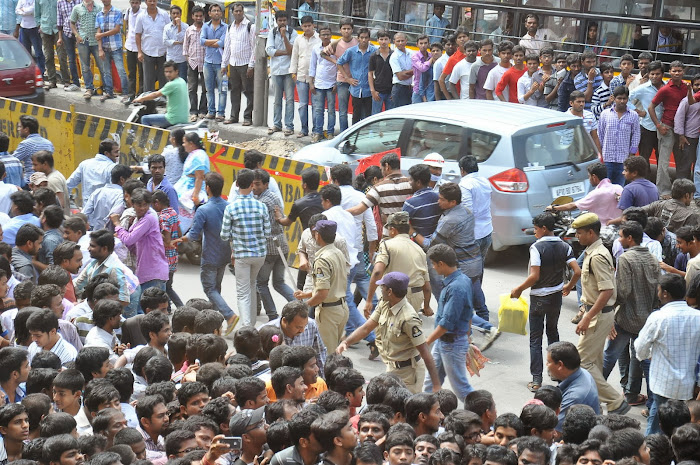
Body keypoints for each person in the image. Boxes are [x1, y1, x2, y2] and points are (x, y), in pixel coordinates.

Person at [338, 271, 439, 394]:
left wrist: (436, 385)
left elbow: (425, 352)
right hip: (391, 367)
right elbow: (366, 328)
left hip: (408, 374)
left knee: (406, 409)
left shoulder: (408, 318)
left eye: (382, 287)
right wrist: (346, 342)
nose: (380, 289)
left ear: (390, 291)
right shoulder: (385, 303)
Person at [511, 213, 580, 392]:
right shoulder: (565, 246)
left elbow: (534, 276)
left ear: (543, 228)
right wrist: (568, 286)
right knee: (553, 334)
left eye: (535, 228)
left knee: (535, 339)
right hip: (556, 297)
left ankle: (536, 380)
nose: (534, 232)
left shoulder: (536, 248)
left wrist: (518, 289)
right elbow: (577, 271)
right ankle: (559, 376)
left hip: (539, 299)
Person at [571, 212, 629, 415]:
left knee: (582, 361)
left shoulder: (598, 256)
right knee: (593, 362)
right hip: (596, 313)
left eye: (579, 233)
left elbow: (607, 291)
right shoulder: (591, 252)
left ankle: (615, 401)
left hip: (597, 316)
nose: (576, 236)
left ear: (591, 232)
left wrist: (587, 316)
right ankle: (593, 405)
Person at [601, 221, 658, 408]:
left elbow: (622, 292)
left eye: (621, 236)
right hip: (646, 320)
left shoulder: (625, 259)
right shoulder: (652, 258)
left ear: (630, 238)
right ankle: (645, 400)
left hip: (626, 319)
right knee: (641, 358)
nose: (619, 239)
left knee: (610, 355)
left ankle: (594, 391)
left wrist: (609, 312)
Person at [635, 273, 700, 434]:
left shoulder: (658, 317)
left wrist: (649, 354)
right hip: (687, 386)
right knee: (680, 426)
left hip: (663, 384)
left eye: (658, 290)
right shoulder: (697, 317)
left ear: (665, 293)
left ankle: (652, 453)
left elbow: (640, 348)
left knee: (657, 422)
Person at [221, 168, 270, 329]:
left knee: (243, 291)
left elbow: (224, 235)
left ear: (236, 184)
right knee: (251, 284)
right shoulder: (261, 206)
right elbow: (267, 232)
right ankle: (252, 323)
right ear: (251, 185)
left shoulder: (231, 208)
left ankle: (247, 326)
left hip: (242, 255)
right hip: (260, 254)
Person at [422, 244, 472, 398]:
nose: (433, 267)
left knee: (461, 388)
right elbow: (469, 312)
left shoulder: (456, 288)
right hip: (444, 342)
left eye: (434, 264)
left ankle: (482, 414)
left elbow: (446, 324)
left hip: (452, 344)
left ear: (441, 264)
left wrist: (426, 343)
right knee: (430, 384)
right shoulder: (463, 280)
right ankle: (425, 413)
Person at [293, 220, 349, 352]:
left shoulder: (322, 259)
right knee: (335, 353)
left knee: (327, 355)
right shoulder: (338, 253)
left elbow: (323, 293)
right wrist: (306, 295)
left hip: (328, 312)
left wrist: (304, 306)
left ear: (318, 235)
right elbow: (330, 286)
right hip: (341, 307)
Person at [366, 212, 431, 318]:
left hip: (395, 296)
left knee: (387, 331)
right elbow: (427, 286)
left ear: (392, 230)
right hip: (416, 297)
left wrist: (369, 300)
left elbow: (377, 271)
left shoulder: (387, 245)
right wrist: (427, 306)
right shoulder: (420, 250)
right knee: (406, 329)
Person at [649, 60, 696, 198]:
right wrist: (658, 125)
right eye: (674, 71)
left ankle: (680, 190)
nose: (676, 73)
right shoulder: (665, 89)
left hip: (682, 129)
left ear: (683, 72)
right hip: (667, 127)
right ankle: (663, 191)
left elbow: (691, 103)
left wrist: (689, 91)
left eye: (679, 71)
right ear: (670, 72)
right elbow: (651, 107)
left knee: (681, 161)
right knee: (663, 162)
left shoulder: (686, 87)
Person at [252, 168, 294, 321]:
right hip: (281, 245)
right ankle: (299, 306)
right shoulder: (274, 197)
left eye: (257, 184)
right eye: (252, 184)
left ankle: (272, 315)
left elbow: (259, 228)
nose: (254, 187)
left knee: (261, 283)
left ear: (266, 184)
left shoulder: (262, 203)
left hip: (269, 249)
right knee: (279, 283)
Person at [110, 189, 169, 294]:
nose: (142, 208)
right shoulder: (139, 218)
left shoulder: (149, 217)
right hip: (148, 271)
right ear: (132, 204)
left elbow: (129, 239)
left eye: (145, 205)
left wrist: (117, 224)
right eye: (139, 205)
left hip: (153, 272)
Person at [548, 163, 622, 228]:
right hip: (619, 226)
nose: (589, 179)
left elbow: (573, 206)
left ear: (594, 177)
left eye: (589, 176)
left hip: (603, 229)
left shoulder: (596, 194)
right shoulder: (618, 188)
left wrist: (554, 208)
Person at [262, 300, 327, 374]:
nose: (302, 330)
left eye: (305, 326)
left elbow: (320, 352)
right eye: (298, 327)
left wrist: (323, 378)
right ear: (284, 321)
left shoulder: (311, 325)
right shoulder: (267, 332)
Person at [545, 341, 599, 431]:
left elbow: (556, 433)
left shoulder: (574, 397)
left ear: (560, 365)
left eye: (548, 362)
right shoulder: (582, 372)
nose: (547, 365)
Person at [220, 3, 255, 126]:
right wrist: (224, 65)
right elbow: (227, 47)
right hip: (233, 63)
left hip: (246, 64)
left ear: (243, 12)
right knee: (234, 91)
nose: (238, 13)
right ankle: (234, 116)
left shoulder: (250, 26)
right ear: (232, 12)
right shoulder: (230, 27)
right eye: (236, 11)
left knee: (249, 91)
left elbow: (254, 47)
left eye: (240, 11)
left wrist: (251, 65)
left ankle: (247, 117)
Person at [323, 19, 357, 132]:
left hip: (356, 80)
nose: (346, 31)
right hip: (342, 80)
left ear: (352, 30)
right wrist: (336, 62)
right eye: (344, 28)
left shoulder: (357, 42)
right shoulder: (336, 43)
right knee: (343, 111)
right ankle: (344, 133)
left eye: (348, 28)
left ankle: (353, 132)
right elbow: (323, 53)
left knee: (356, 110)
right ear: (340, 30)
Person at [133, 60, 189, 128]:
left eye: (170, 72)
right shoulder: (182, 81)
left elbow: (155, 95)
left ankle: (146, 138)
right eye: (166, 72)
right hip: (184, 118)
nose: (168, 74)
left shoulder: (171, 84)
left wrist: (140, 99)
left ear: (176, 71)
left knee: (144, 119)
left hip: (173, 119)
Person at [266, 10, 296, 135]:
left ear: (287, 21)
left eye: (284, 20)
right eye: (280, 20)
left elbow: (292, 51)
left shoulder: (292, 33)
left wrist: (284, 37)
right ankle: (277, 124)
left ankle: (289, 126)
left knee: (289, 99)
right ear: (276, 21)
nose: (282, 23)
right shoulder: (272, 33)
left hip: (289, 70)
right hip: (276, 70)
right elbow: (269, 50)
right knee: (277, 99)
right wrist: (284, 52)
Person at [289, 15, 320, 137]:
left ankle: (316, 130)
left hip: (316, 78)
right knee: (302, 105)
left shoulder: (318, 39)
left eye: (309, 26)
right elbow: (294, 56)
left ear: (313, 25)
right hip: (301, 77)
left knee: (316, 105)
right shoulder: (298, 39)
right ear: (301, 26)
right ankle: (304, 129)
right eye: (305, 26)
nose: (307, 28)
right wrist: (293, 74)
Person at [151, 190, 182, 309]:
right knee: (168, 285)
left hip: (165, 257)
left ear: (157, 203)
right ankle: (168, 307)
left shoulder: (163, 217)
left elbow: (167, 241)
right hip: (174, 255)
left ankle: (181, 307)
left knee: (166, 287)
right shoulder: (173, 212)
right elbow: (179, 231)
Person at [337, 27, 375, 123]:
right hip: (356, 89)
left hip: (369, 89)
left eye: (366, 37)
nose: (364, 40)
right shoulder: (351, 51)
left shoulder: (374, 51)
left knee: (368, 116)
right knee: (356, 115)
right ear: (357, 38)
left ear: (369, 38)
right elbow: (339, 63)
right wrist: (347, 78)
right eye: (361, 37)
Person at [173, 133, 209, 233]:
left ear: (191, 143)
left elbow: (199, 177)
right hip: (184, 187)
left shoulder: (199, 157)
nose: (183, 145)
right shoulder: (194, 154)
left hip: (190, 191)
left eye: (185, 142)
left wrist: (195, 196)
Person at [67, 138, 119, 205]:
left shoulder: (84, 164)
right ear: (106, 153)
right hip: (105, 211)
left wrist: (66, 204)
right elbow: (115, 191)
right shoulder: (112, 167)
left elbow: (68, 185)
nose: (118, 155)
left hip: (87, 211)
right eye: (116, 152)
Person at [95, 0, 129, 102]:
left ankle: (126, 94)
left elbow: (117, 29)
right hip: (104, 47)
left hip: (115, 46)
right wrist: (100, 49)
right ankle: (109, 92)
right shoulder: (99, 15)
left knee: (121, 71)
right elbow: (98, 33)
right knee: (106, 72)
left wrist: (101, 35)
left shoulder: (117, 12)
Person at [309, 26, 337, 141]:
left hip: (332, 84)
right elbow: (312, 66)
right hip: (319, 83)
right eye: (323, 34)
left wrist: (336, 82)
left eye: (328, 34)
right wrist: (311, 82)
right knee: (318, 109)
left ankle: (330, 133)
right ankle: (318, 132)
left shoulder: (336, 48)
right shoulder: (316, 48)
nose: (325, 36)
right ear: (319, 36)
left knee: (331, 110)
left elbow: (339, 66)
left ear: (331, 35)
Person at [83, 164, 132, 230]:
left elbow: (84, 213)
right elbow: (113, 215)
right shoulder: (122, 195)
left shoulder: (97, 192)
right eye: (130, 179)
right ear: (122, 179)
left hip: (96, 232)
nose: (131, 182)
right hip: (112, 234)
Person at [200, 3, 227, 121]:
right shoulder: (205, 26)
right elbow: (201, 41)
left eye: (218, 11)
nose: (216, 12)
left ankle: (220, 113)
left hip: (221, 63)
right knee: (208, 89)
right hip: (208, 62)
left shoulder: (226, 27)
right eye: (214, 10)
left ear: (221, 13)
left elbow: (222, 43)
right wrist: (216, 41)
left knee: (223, 89)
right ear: (209, 13)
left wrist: (209, 42)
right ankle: (211, 111)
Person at [70, 0, 102, 100]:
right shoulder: (77, 8)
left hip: (96, 41)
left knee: (102, 66)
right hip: (83, 41)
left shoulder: (98, 8)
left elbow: (101, 23)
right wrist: (77, 35)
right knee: (85, 66)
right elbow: (72, 23)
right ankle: (89, 88)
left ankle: (105, 89)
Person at [135, 0, 169, 93]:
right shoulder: (141, 16)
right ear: (146, 2)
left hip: (163, 52)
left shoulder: (164, 14)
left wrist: (168, 48)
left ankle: (163, 100)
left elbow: (169, 31)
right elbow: (138, 34)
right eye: (150, 1)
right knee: (148, 79)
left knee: (163, 78)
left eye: (154, 0)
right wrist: (139, 52)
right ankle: (149, 102)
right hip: (147, 51)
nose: (152, 3)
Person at [182, 5, 207, 121]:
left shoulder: (207, 28)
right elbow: (185, 47)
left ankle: (203, 111)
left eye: (200, 16)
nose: (198, 18)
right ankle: (193, 111)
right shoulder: (189, 30)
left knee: (206, 89)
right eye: (196, 16)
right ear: (192, 16)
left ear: (203, 16)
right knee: (192, 88)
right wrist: (188, 59)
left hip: (205, 63)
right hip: (192, 63)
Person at [13, 116, 54, 186]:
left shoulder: (25, 144)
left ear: (26, 129)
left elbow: (13, 160)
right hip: (47, 180)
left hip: (31, 183)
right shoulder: (48, 143)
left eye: (20, 127)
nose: (18, 129)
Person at [676, 76, 700, 193]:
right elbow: (679, 118)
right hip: (688, 138)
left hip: (698, 138)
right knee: (685, 165)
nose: (698, 87)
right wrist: (681, 136)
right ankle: (680, 191)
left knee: (697, 166)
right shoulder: (686, 101)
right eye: (696, 85)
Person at [30, 151, 69, 217]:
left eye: (35, 165)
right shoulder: (53, 176)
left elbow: (60, 205)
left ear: (45, 164)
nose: (33, 168)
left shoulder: (52, 180)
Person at [56, 0, 81, 92]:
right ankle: (75, 83)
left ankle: (88, 84)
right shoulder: (60, 2)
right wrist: (60, 37)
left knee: (84, 59)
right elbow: (59, 20)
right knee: (71, 59)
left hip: (80, 33)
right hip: (67, 33)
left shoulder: (79, 1)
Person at [368, 30, 393, 115]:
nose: (383, 42)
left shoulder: (394, 55)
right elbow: (370, 74)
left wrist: (394, 91)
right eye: (381, 39)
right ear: (377, 40)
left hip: (391, 91)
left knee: (390, 116)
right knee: (375, 115)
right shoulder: (374, 56)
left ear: (390, 40)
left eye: (386, 39)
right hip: (378, 91)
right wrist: (373, 91)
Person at [123, 0, 143, 103]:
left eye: (136, 3)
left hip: (140, 47)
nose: (134, 5)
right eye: (133, 2)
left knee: (141, 73)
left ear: (140, 3)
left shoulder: (143, 14)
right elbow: (126, 23)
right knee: (131, 72)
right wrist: (127, 33)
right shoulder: (128, 11)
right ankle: (131, 95)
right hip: (130, 45)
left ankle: (140, 96)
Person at [410, 34, 438, 104]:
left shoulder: (431, 54)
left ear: (429, 44)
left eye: (425, 43)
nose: (423, 45)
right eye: (421, 43)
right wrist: (431, 60)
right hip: (418, 90)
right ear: (417, 44)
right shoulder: (415, 56)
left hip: (430, 88)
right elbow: (422, 68)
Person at [388, 32, 413, 108]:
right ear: (394, 42)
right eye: (398, 41)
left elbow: (404, 74)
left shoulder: (411, 53)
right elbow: (400, 77)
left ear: (406, 41)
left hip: (409, 88)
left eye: (402, 40)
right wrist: (414, 71)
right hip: (399, 88)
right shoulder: (394, 57)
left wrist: (406, 73)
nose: (400, 43)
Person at [163, 5, 188, 82]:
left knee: (182, 81)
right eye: (173, 13)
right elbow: (165, 41)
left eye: (177, 13)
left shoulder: (186, 26)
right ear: (170, 14)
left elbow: (184, 40)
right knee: (171, 81)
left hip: (182, 59)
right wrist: (176, 42)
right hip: (171, 58)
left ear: (180, 14)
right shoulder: (167, 27)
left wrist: (179, 26)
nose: (175, 15)